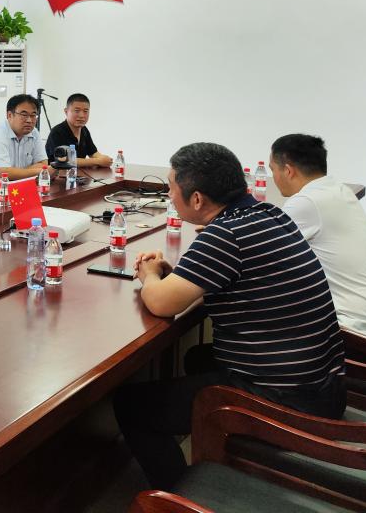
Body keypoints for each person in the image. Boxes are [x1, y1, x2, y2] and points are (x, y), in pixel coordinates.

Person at [113, 142, 345, 491]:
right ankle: (218, 449)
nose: (169, 196)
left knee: (130, 405)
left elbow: (160, 303)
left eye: (172, 188)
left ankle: (182, 497)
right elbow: (232, 276)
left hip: (290, 399)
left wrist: (148, 275)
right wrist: (176, 277)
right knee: (198, 357)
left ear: (197, 200)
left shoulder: (226, 235)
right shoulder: (268, 214)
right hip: (324, 382)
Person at [269, 133, 366, 341]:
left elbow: (261, 251)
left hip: (348, 331)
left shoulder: (307, 201)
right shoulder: (339, 189)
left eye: (272, 169)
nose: (273, 176)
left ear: (288, 171)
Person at [0, 94, 47, 179]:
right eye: (24, 115)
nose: (29, 120)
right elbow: (2, 173)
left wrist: (15, 172)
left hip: (19, 183)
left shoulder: (34, 132)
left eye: (33, 115)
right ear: (9, 115)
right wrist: (36, 171)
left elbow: (43, 164)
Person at [44, 93, 112, 167]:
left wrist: (104, 159)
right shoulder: (57, 132)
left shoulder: (84, 130)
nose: (82, 115)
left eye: (85, 111)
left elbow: (93, 153)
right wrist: (98, 161)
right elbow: (64, 160)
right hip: (58, 173)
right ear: (66, 112)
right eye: (77, 111)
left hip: (79, 172)